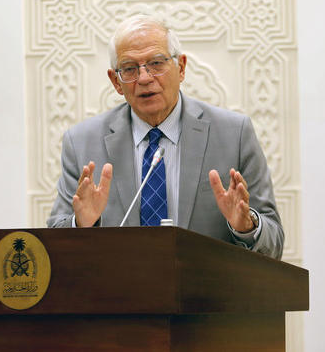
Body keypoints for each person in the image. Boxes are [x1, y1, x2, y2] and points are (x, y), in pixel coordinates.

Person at [47, 14, 284, 259]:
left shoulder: (234, 134)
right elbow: (54, 243)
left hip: (208, 293)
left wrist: (246, 227)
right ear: (116, 82)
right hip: (117, 294)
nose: (145, 78)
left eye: (157, 63)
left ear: (181, 67)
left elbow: (274, 242)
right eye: (129, 69)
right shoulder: (82, 142)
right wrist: (82, 225)